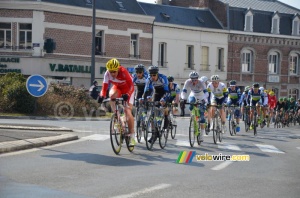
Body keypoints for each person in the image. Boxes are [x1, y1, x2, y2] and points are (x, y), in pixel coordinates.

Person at [98, 58, 136, 146]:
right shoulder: (107, 74)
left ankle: (132, 135)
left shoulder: (123, 72)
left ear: (118, 69)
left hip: (128, 90)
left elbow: (131, 86)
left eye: (114, 71)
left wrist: (127, 94)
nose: (112, 74)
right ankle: (116, 116)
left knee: (127, 111)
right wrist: (101, 96)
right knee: (111, 97)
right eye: (110, 71)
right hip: (118, 88)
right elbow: (104, 89)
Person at [143, 65, 169, 143]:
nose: (152, 77)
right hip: (156, 93)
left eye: (154, 75)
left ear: (157, 74)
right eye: (151, 75)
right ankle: (154, 134)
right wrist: (146, 98)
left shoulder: (163, 78)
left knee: (164, 107)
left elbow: (167, 91)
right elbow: (147, 90)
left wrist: (163, 99)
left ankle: (166, 121)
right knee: (152, 114)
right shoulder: (149, 79)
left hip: (164, 92)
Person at [180, 71, 209, 141]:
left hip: (201, 95)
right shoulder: (187, 82)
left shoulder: (201, 82)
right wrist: (183, 98)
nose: (194, 81)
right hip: (193, 94)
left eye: (195, 80)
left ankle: (202, 134)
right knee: (191, 103)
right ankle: (193, 117)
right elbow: (184, 91)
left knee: (202, 116)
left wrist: (204, 100)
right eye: (192, 80)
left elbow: (206, 93)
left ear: (198, 79)